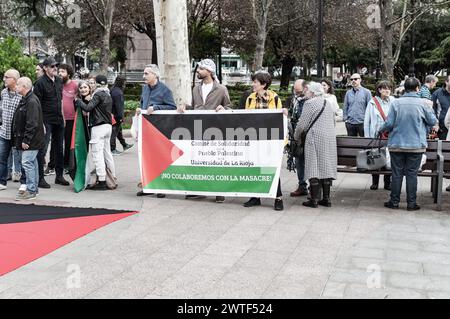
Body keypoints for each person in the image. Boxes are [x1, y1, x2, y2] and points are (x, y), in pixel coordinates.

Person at [177, 58, 231, 203]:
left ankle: (219, 191)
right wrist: (184, 107)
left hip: (214, 130)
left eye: (201, 69)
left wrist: (223, 108)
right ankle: (198, 189)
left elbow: (230, 107)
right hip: (197, 129)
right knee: (199, 159)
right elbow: (195, 107)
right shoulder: (196, 88)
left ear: (209, 71)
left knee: (215, 160)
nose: (198, 71)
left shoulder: (221, 89)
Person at [379, 77, 437, 211]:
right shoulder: (424, 103)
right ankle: (411, 203)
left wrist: (380, 129)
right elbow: (432, 120)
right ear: (418, 88)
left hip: (397, 145)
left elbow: (389, 123)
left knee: (396, 173)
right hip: (416, 145)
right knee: (412, 174)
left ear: (405, 88)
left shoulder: (396, 103)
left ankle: (394, 202)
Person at [243, 71, 284, 211]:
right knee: (256, 167)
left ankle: (278, 197)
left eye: (255, 82)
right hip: (255, 139)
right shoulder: (250, 98)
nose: (253, 84)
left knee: (271, 167)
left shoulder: (275, 98)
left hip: (270, 140)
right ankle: (256, 196)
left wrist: (284, 113)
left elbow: (280, 120)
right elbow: (245, 118)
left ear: (264, 84)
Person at [294, 82, 337, 208]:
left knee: (313, 167)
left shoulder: (309, 103)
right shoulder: (327, 103)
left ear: (312, 92)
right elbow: (333, 121)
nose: (305, 92)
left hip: (314, 138)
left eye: (307, 90)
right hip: (329, 138)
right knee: (326, 165)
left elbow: (302, 124)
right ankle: (327, 199)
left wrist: (296, 137)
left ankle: (314, 200)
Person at [136, 64, 176, 197]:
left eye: (146, 73)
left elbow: (172, 107)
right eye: (144, 73)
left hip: (159, 129)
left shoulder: (165, 90)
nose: (144, 76)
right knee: (146, 158)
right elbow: (143, 104)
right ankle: (148, 186)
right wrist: (139, 109)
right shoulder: (145, 89)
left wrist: (156, 107)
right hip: (146, 129)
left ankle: (162, 188)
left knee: (160, 158)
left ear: (155, 75)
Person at [33, 56, 70, 188]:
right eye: (52, 66)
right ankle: (40, 178)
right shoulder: (40, 83)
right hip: (45, 120)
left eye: (56, 66)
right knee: (42, 149)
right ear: (45, 68)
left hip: (58, 119)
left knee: (59, 148)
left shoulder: (59, 81)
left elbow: (60, 100)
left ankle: (59, 176)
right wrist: (40, 123)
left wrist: (63, 117)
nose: (55, 68)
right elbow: (36, 104)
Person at [75, 75, 116, 190]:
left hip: (98, 127)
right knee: (107, 153)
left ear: (97, 84)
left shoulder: (97, 94)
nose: (91, 85)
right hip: (108, 126)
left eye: (93, 83)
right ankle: (112, 178)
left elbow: (88, 108)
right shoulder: (107, 94)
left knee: (97, 155)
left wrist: (78, 101)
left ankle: (102, 181)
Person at [12, 77, 45, 200]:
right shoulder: (26, 99)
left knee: (27, 163)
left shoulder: (31, 101)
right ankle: (33, 189)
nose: (16, 87)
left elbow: (32, 123)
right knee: (32, 163)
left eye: (18, 85)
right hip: (31, 139)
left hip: (31, 140)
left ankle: (31, 190)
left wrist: (26, 140)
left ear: (24, 86)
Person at [364, 80, 394, 191]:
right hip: (376, 135)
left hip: (390, 134)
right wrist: (367, 136)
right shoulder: (372, 102)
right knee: (375, 156)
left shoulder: (394, 101)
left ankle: (387, 182)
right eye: (384, 88)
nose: (387, 90)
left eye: (389, 88)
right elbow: (367, 121)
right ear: (379, 90)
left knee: (389, 158)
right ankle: (375, 182)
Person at [0, 69, 25, 191]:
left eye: (6, 77)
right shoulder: (3, 92)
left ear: (14, 80)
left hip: (17, 134)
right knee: (2, 158)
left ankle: (24, 183)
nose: (4, 79)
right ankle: (2, 182)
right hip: (4, 132)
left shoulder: (22, 95)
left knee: (22, 159)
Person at [285, 79, 309, 197]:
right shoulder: (294, 99)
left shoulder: (310, 100)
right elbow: (291, 113)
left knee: (310, 161)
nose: (296, 93)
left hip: (308, 135)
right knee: (299, 161)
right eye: (295, 91)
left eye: (299, 91)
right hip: (296, 136)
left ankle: (315, 187)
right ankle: (302, 185)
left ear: (306, 88)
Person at [58, 63, 79, 170]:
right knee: (58, 143)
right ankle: (58, 164)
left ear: (69, 74)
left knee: (68, 142)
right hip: (59, 118)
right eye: (59, 71)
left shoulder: (75, 86)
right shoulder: (58, 85)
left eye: (62, 72)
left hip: (71, 119)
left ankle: (67, 164)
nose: (60, 74)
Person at [110, 75, 133, 155]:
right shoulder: (118, 92)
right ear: (122, 82)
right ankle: (112, 149)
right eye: (125, 82)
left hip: (112, 114)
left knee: (118, 131)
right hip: (116, 115)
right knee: (114, 131)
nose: (125, 83)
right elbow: (119, 106)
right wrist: (121, 117)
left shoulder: (113, 89)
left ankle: (124, 144)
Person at [432, 75, 450, 141]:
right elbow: (432, 110)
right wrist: (435, 124)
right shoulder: (437, 93)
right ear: (446, 82)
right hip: (441, 129)